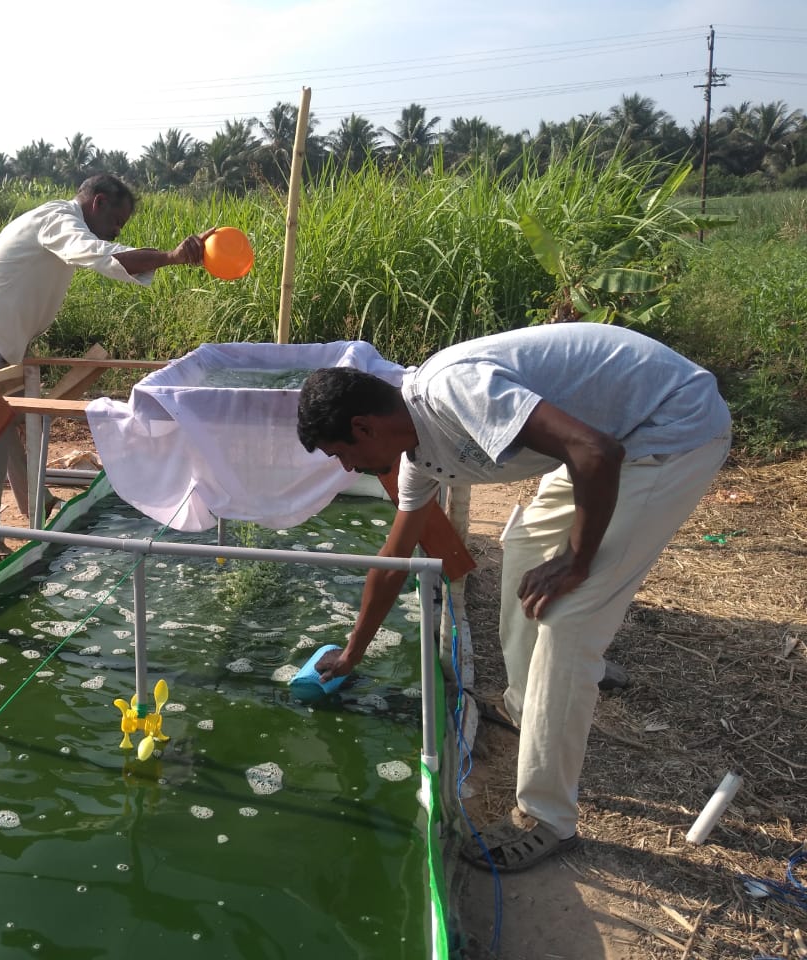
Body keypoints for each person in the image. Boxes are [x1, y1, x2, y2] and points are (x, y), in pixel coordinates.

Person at [295, 323, 731, 872]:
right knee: (524, 549)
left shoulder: (454, 392)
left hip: (669, 429)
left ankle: (548, 818)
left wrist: (577, 559)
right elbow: (391, 565)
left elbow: (595, 451)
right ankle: (527, 705)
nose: (347, 470)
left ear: (363, 426)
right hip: (607, 438)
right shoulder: (415, 456)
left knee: (569, 620)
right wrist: (353, 652)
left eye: (341, 454)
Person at [0, 174, 213, 564]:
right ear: (98, 202)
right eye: (116, 222)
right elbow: (100, 254)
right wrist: (172, 257)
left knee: (10, 422)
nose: (115, 231)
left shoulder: (53, 220)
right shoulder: (59, 221)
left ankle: (37, 507)